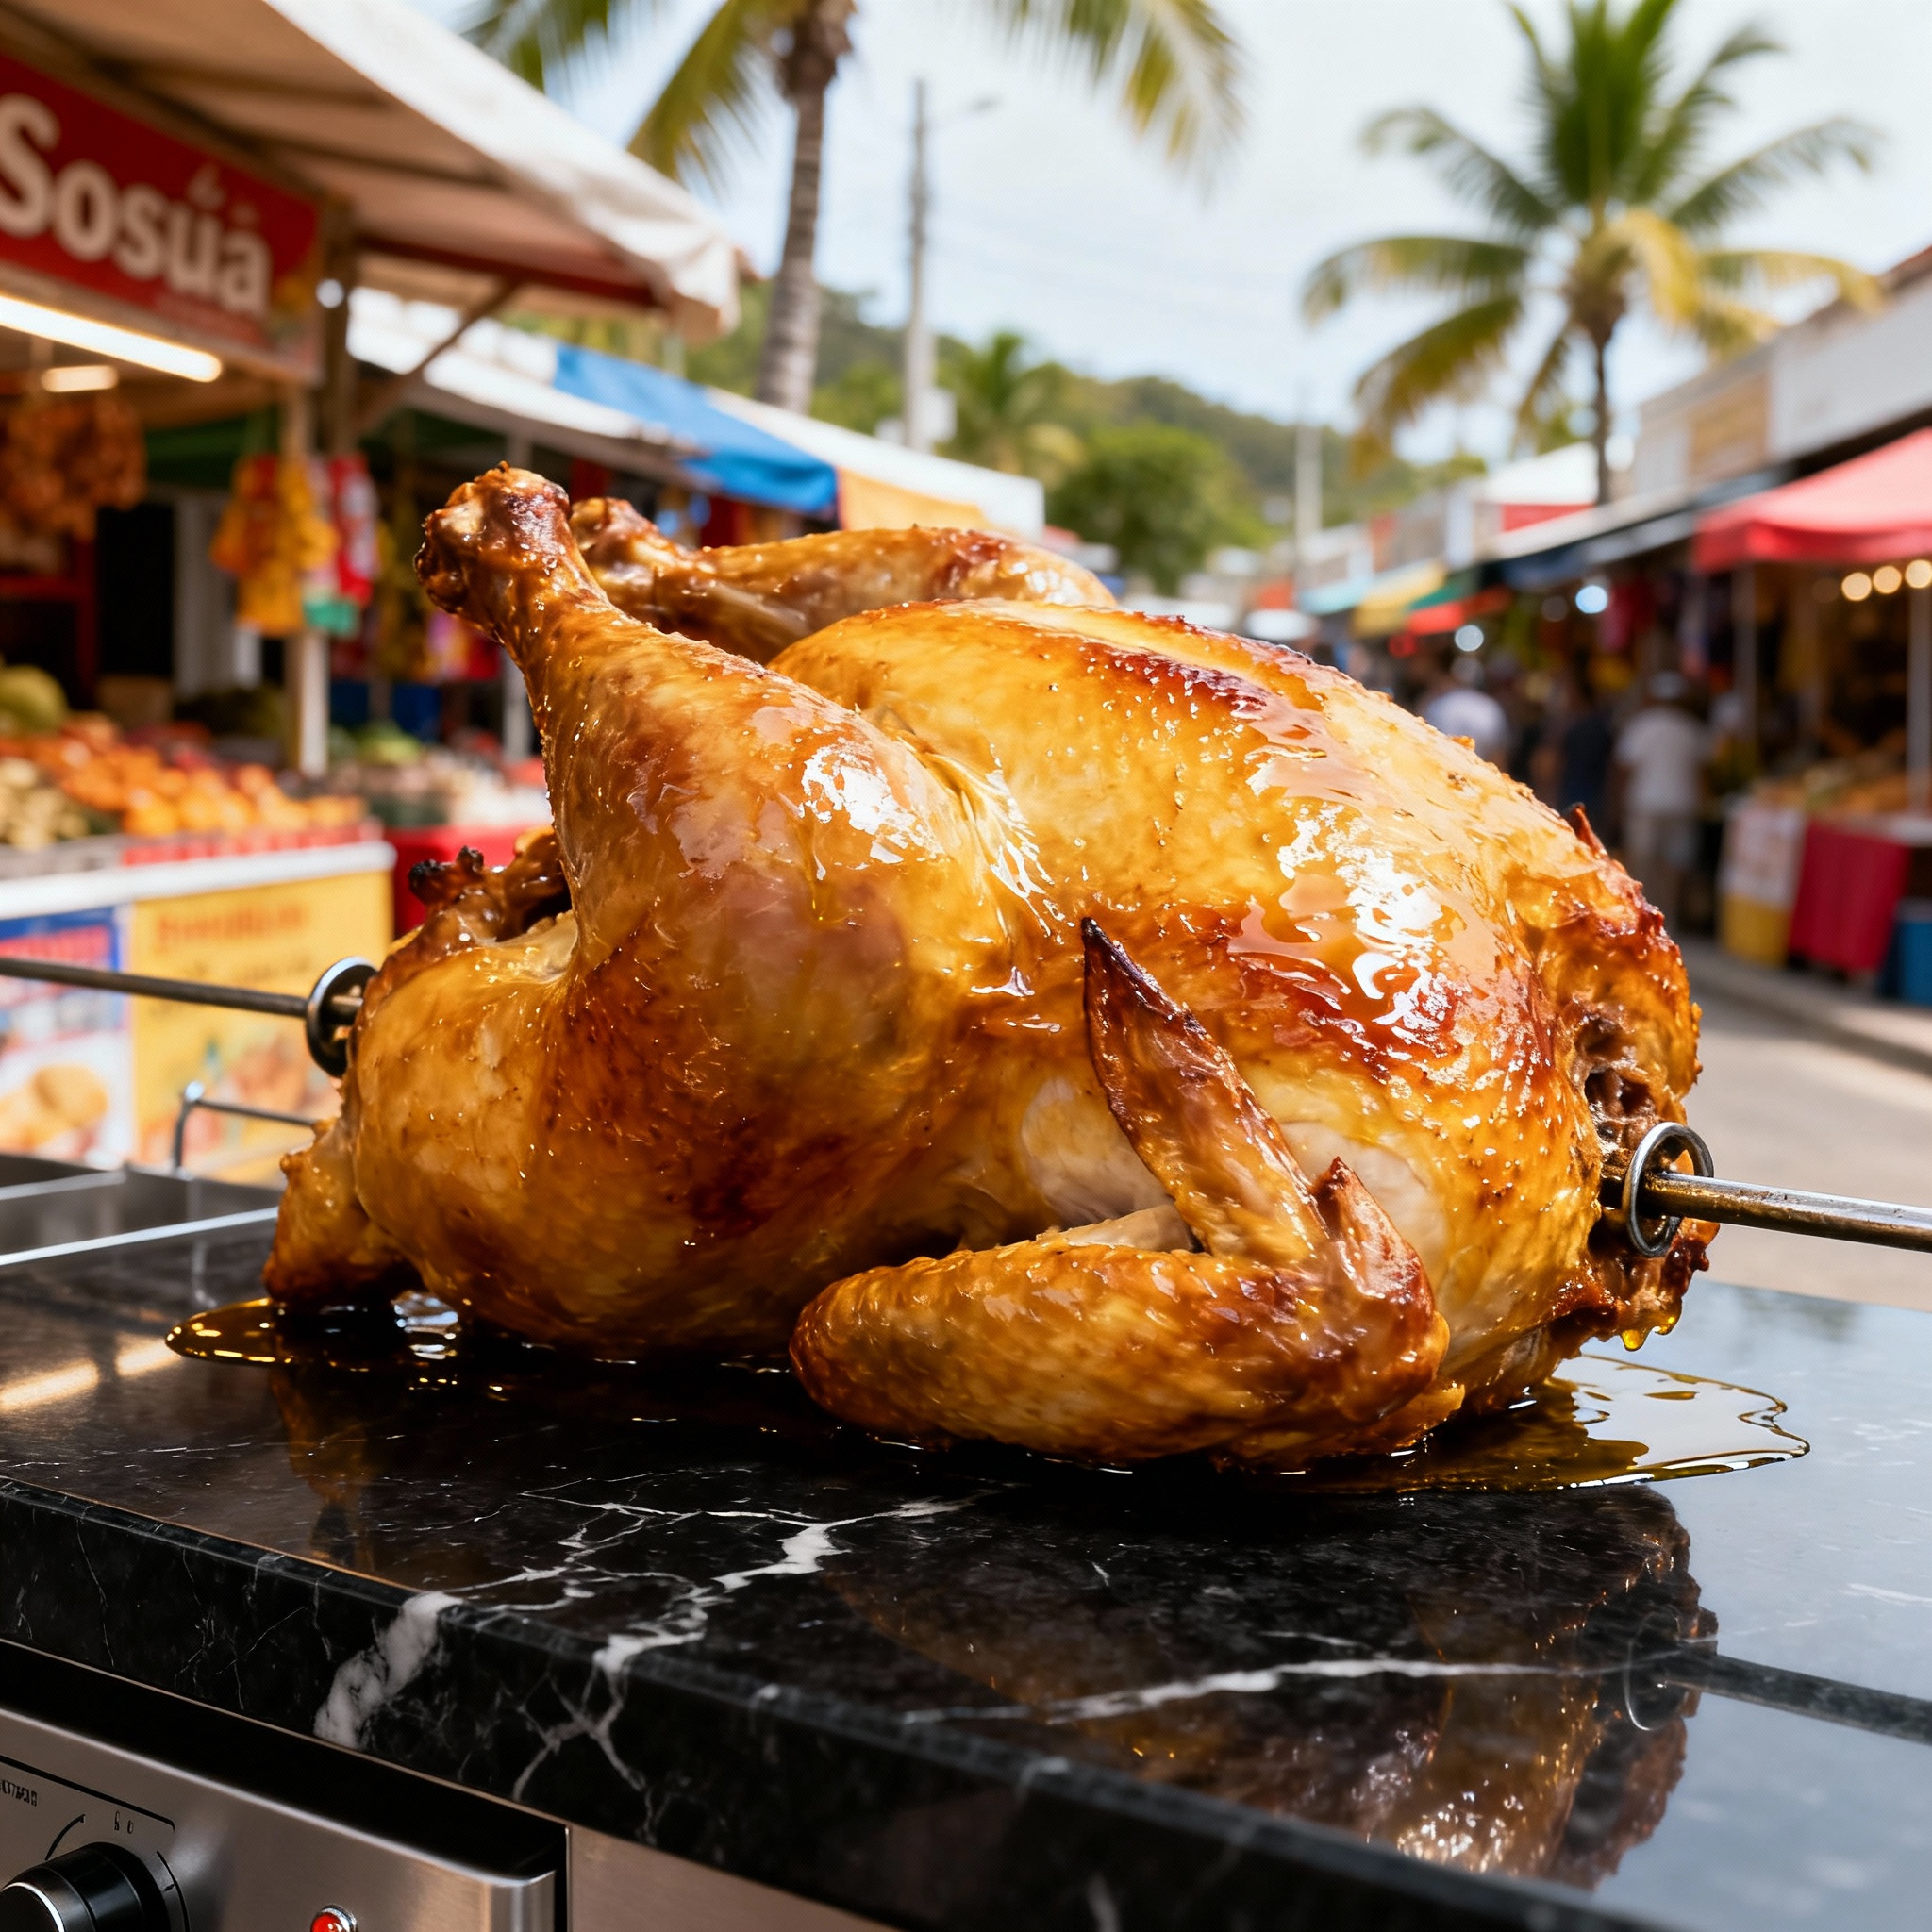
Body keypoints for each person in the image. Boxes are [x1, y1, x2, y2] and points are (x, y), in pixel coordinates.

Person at [1614, 672, 1708, 925]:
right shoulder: (1692, 729)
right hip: (1682, 803)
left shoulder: (1642, 725)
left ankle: (1641, 916)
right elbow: (1702, 772)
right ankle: (1669, 917)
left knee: (1644, 863)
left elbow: (1625, 768)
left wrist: (1619, 802)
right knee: (1675, 865)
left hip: (1646, 802)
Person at [1420, 654, 1511, 767]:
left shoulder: (1440, 703)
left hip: (1441, 769)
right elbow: (1498, 756)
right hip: (1478, 776)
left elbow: (1425, 740)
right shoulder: (1491, 707)